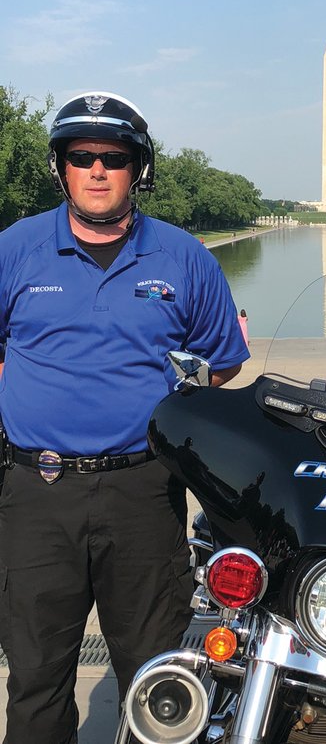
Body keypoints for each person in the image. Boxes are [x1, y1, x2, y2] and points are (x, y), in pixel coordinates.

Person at [0, 91, 250, 744]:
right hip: (38, 494)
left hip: (143, 491)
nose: (98, 169)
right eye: (81, 156)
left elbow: (223, 365)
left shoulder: (184, 257)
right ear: (60, 167)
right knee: (34, 682)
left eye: (115, 156)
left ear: (140, 167)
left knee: (156, 682)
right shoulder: (15, 250)